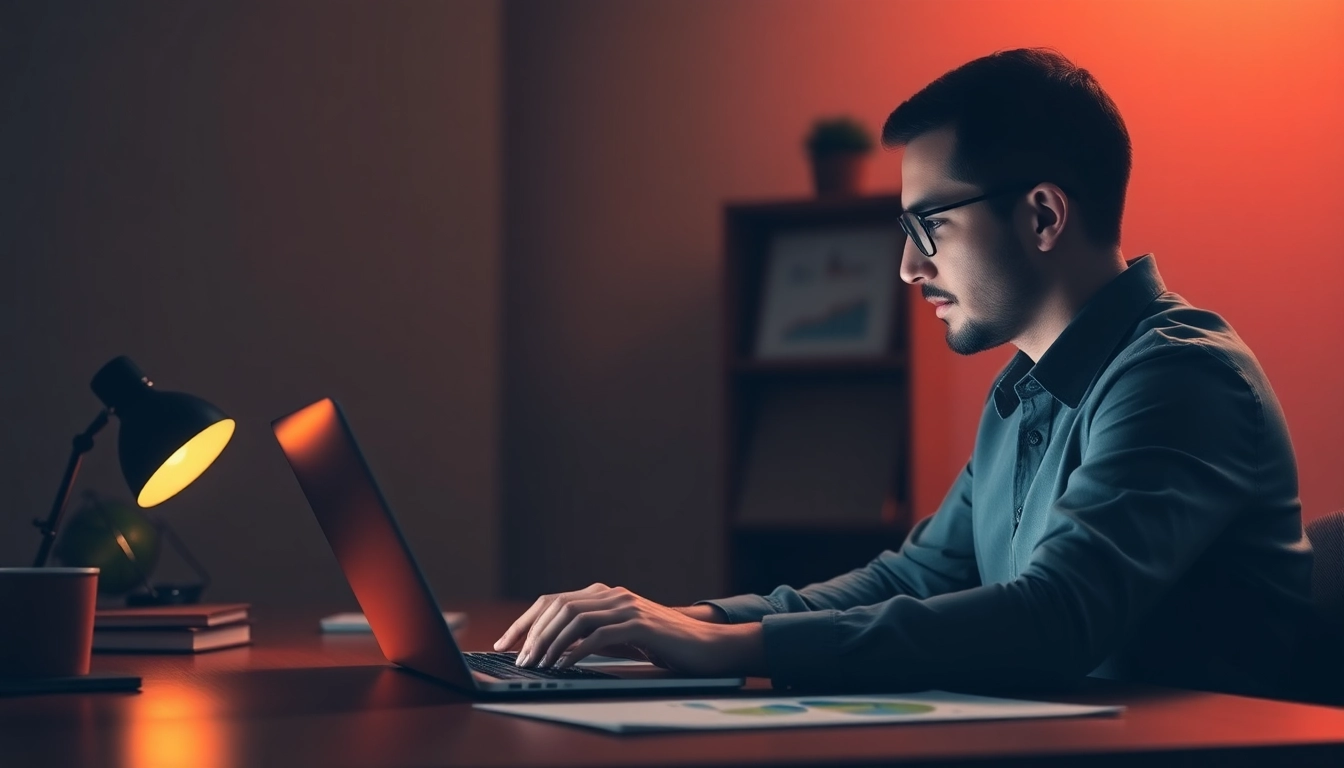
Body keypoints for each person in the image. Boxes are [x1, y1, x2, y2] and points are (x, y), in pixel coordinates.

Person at [494, 48, 1315, 698]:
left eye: (929, 225)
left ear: (1042, 215)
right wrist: (680, 619)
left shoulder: (1182, 378)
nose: (906, 269)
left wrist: (726, 647)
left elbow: (1054, 619)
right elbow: (916, 577)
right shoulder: (1026, 391)